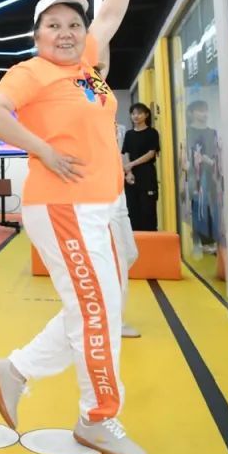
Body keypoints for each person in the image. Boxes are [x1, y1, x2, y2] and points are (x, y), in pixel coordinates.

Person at [0, 0, 168, 454]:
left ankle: (16, 370)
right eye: (53, 25)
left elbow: (109, 16)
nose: (66, 33)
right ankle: (97, 418)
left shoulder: (86, 68)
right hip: (64, 206)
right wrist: (42, 149)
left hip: (100, 204)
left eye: (73, 25)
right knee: (97, 310)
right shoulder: (31, 71)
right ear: (37, 35)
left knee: (96, 306)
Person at [98, 49, 141, 339]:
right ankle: (113, 320)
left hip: (118, 194)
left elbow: (102, 67)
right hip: (102, 198)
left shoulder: (109, 114)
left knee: (130, 253)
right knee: (118, 260)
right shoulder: (85, 109)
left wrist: (125, 172)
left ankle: (103, 311)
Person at [185, 100, 221, 257]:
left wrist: (212, 163)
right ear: (192, 113)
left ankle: (212, 240)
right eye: (200, 111)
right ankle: (201, 240)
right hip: (194, 175)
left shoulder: (212, 132)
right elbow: (186, 154)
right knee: (198, 206)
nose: (204, 114)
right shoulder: (187, 131)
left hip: (212, 175)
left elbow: (217, 154)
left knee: (212, 207)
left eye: (206, 110)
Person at [122, 103, 160, 231]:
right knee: (132, 209)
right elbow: (125, 153)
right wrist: (128, 172)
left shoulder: (152, 133)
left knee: (147, 210)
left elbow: (151, 153)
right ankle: (134, 238)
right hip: (131, 177)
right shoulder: (129, 134)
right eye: (133, 113)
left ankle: (151, 238)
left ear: (146, 115)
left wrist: (131, 164)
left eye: (139, 113)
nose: (136, 116)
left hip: (147, 175)